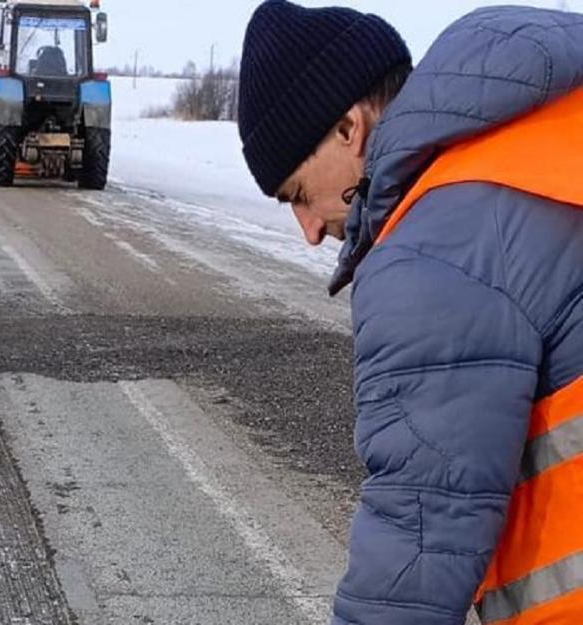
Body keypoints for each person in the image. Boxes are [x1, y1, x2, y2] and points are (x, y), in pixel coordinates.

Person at [236, 2, 583, 623]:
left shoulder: (436, 243)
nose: (311, 230)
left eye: (298, 195)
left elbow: (418, 539)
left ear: (349, 129)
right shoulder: (546, 130)